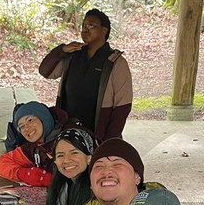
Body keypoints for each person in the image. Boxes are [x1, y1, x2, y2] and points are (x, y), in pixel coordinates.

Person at [39, 9, 133, 141]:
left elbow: (122, 107)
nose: (85, 29)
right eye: (83, 25)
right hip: (68, 133)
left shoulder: (115, 62)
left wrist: (108, 142)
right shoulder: (72, 55)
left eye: (91, 25)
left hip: (97, 134)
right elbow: (45, 71)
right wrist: (61, 50)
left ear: (104, 30)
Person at [0, 101, 77, 187]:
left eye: (30, 120)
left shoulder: (71, 137)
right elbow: (1, 163)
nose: (26, 128)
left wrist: (51, 181)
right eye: (21, 127)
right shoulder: (35, 147)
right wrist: (24, 174)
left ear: (43, 117)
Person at [46, 127, 97, 205]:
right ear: (55, 161)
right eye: (60, 155)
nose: (66, 160)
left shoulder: (95, 191)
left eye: (74, 153)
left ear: (89, 158)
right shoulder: (62, 185)